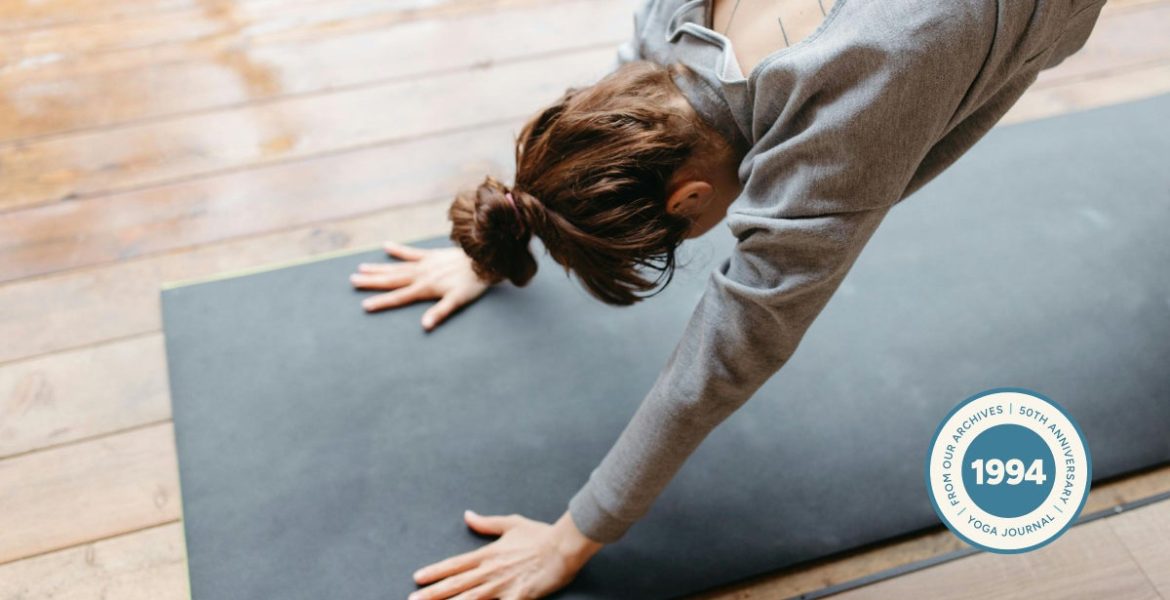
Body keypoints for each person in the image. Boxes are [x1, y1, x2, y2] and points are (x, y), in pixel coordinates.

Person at [349, 0, 1106, 597]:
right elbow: (629, 87)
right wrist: (505, 240)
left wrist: (574, 536)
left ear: (689, 200)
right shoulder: (678, 23)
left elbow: (732, 346)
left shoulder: (845, 103)